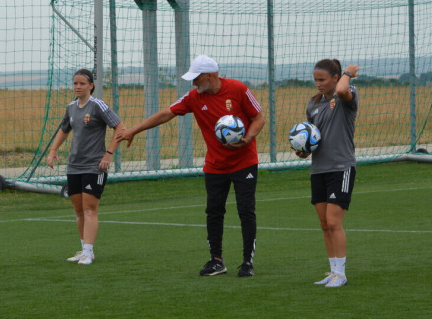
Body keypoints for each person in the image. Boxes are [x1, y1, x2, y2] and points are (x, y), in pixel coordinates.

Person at [117, 54, 265, 277]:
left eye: (197, 78)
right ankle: (216, 260)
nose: (194, 82)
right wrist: (134, 131)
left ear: (210, 75)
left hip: (244, 163)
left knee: (246, 211)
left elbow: (259, 118)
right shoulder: (194, 97)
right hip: (215, 166)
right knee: (214, 211)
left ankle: (247, 262)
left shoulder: (238, 89)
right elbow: (166, 113)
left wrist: (247, 139)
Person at [46, 69, 126, 265]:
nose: (78, 87)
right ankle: (83, 250)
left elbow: (121, 128)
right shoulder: (71, 107)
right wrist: (53, 150)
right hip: (74, 166)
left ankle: (89, 252)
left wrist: (108, 154)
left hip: (94, 166)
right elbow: (64, 130)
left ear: (91, 86)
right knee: (79, 211)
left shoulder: (98, 106)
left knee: (90, 209)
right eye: (75, 83)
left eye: (82, 84)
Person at [295, 59, 359, 288]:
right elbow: (315, 138)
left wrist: (348, 74)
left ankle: (341, 274)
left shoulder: (346, 95)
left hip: (341, 168)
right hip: (319, 169)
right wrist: (303, 150)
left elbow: (342, 89)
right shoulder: (313, 105)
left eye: (322, 79)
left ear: (335, 76)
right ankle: (333, 271)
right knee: (324, 224)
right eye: (315, 80)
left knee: (334, 221)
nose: (318, 84)